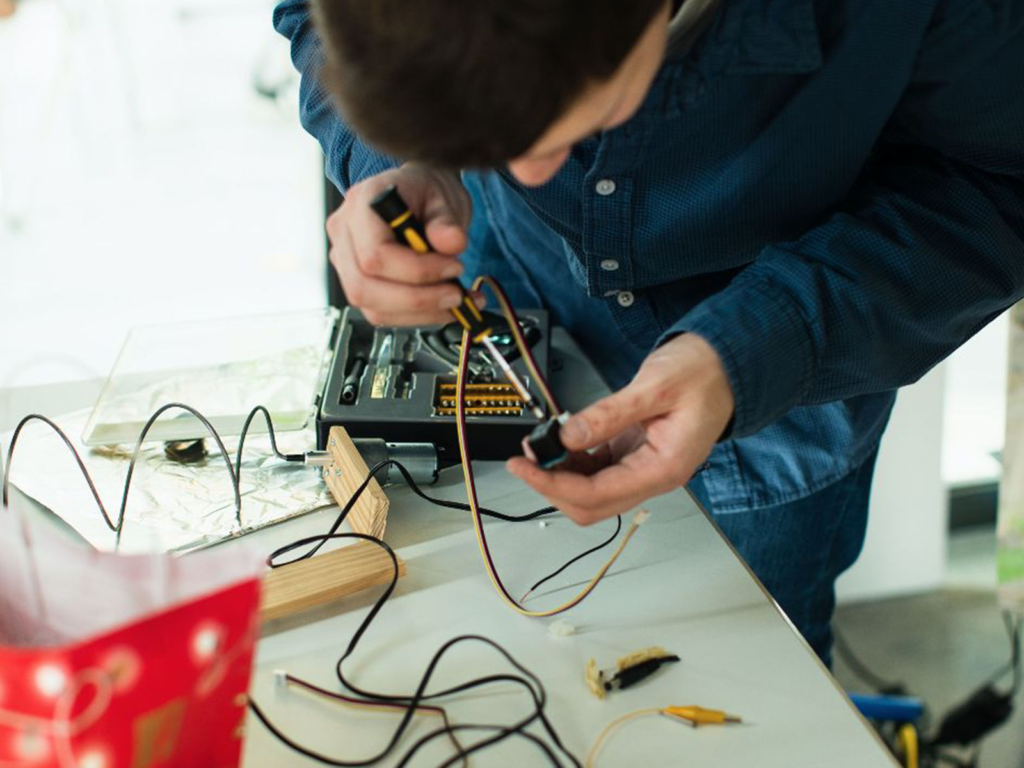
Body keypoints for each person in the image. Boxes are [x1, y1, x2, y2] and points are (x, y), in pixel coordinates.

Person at [274, 0, 1024, 664]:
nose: (519, 174)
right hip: (524, 272)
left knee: (755, 697)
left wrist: (751, 350)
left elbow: (999, 187)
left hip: (785, 386)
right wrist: (401, 155)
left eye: (558, 125)